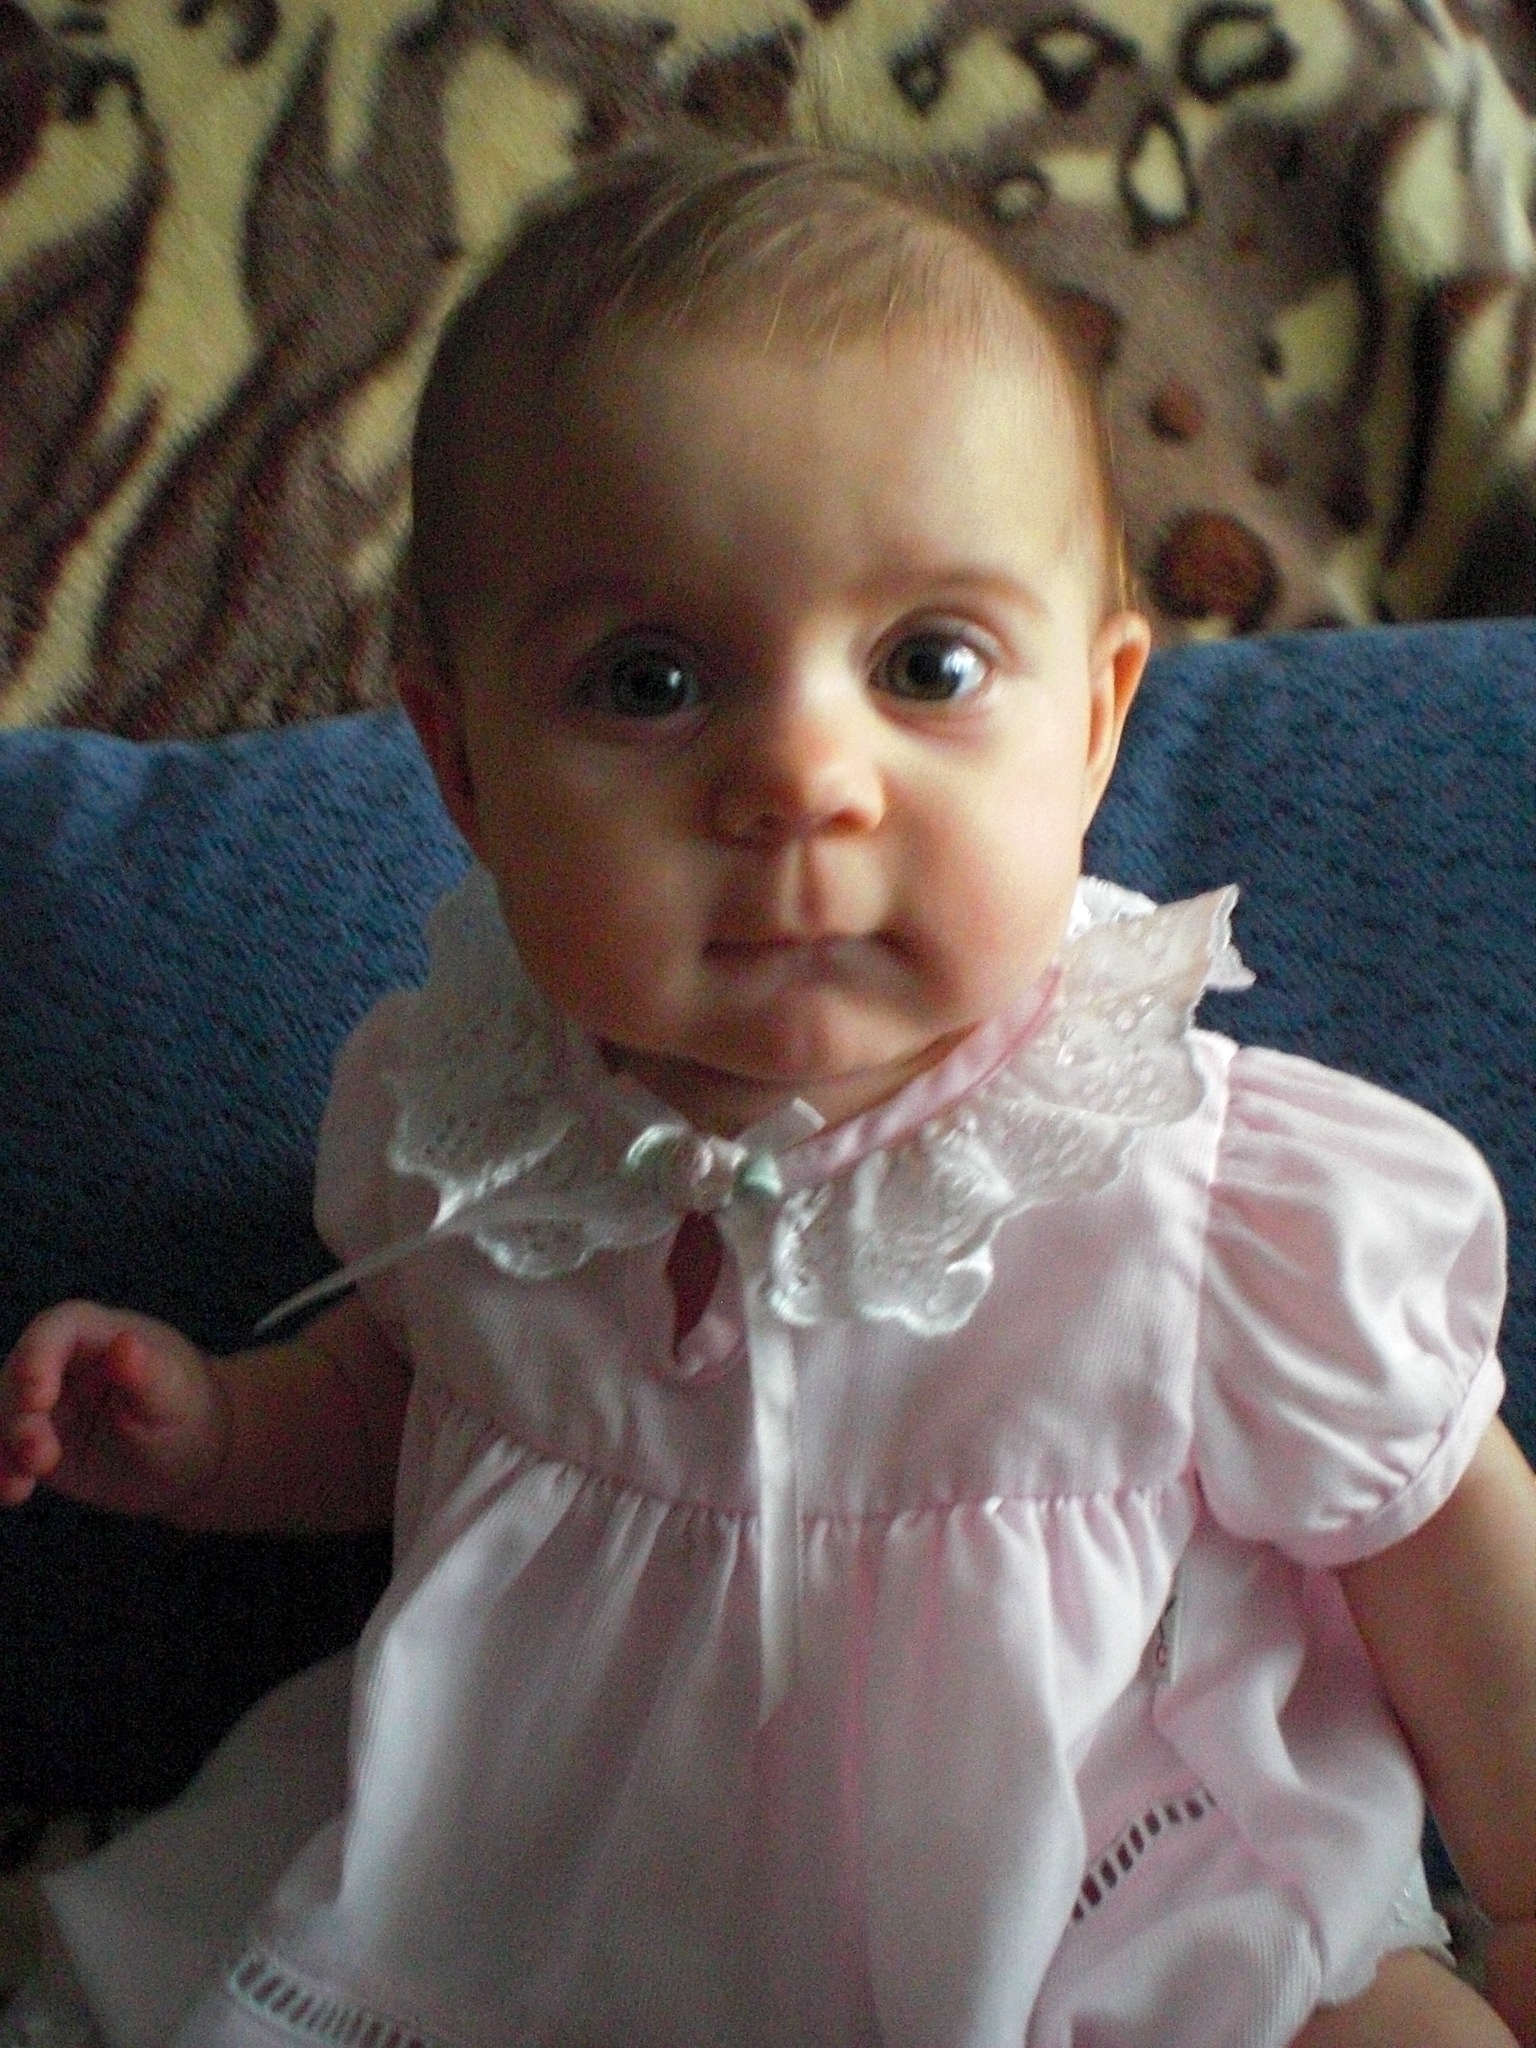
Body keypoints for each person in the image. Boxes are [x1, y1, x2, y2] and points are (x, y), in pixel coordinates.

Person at [1, 139, 1533, 2048]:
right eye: (649, 682)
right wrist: (225, 1434)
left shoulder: (1202, 1183)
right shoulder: (461, 1119)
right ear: (461, 768)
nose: (804, 775)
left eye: (929, 663)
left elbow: (1443, 1540)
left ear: (1094, 721)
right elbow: (416, 1398)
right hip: (545, 1887)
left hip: (1114, 1893)